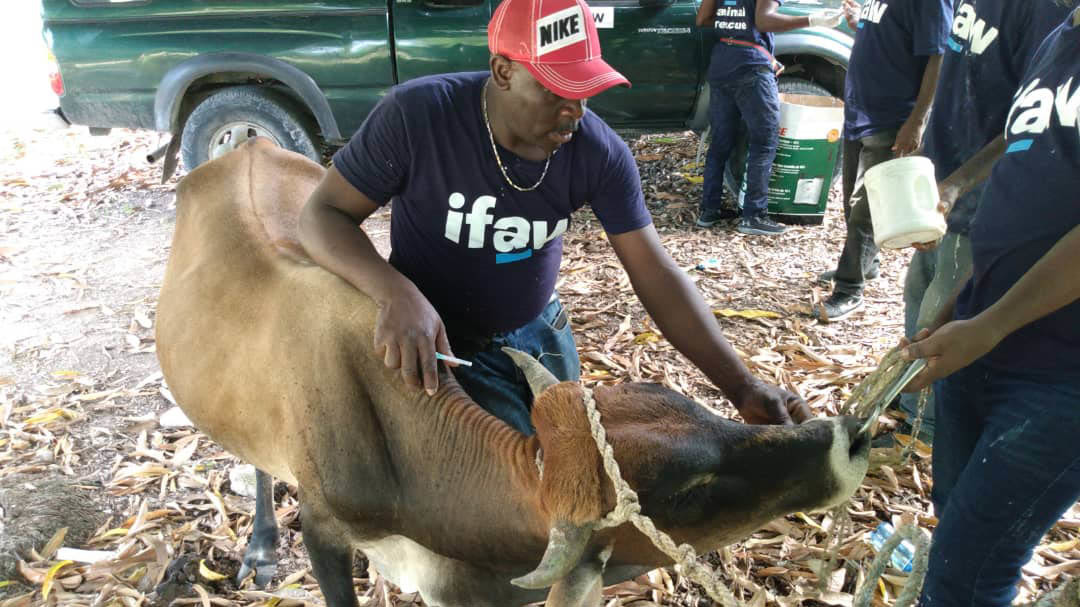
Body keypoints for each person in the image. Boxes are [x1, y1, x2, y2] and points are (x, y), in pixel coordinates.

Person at [297, 0, 810, 435]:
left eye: (585, 89)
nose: (576, 110)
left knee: (579, 458)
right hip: (441, 342)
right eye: (557, 88)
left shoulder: (596, 152)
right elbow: (323, 215)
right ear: (503, 71)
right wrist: (395, 293)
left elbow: (656, 275)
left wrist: (741, 386)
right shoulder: (418, 117)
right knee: (500, 493)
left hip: (539, 329)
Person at [902, 7, 1080, 605]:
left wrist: (992, 324)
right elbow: (1022, 191)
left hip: (1059, 374)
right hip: (985, 336)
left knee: (969, 573)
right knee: (954, 521)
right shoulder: (1061, 37)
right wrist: (957, 309)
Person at [892, 0, 1075, 444]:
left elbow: (1024, 126)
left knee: (958, 324)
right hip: (945, 181)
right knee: (926, 309)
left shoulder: (1043, 15)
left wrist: (960, 184)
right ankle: (908, 411)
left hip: (978, 196)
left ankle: (923, 431)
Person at [816, 0, 952, 321]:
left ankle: (849, 290)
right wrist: (858, 21)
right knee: (852, 200)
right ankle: (867, 263)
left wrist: (918, 120)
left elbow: (939, 56)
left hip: (893, 117)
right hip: (861, 108)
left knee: (869, 209)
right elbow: (888, 32)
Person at [694, 0, 847, 236]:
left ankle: (709, 211)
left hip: (723, 61)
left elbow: (702, 19)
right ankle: (754, 216)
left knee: (721, 142)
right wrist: (812, 20)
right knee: (764, 140)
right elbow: (764, 21)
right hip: (750, 68)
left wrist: (738, 32)